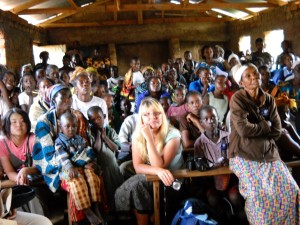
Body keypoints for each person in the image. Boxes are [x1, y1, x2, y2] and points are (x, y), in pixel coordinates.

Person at [230, 63, 300, 224]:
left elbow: (277, 129)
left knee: (291, 191)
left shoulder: (268, 99)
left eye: (255, 73)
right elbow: (243, 130)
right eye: (248, 76)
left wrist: (260, 129)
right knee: (258, 196)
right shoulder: (238, 99)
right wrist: (264, 126)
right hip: (243, 154)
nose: (254, 76)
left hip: (268, 153)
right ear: (241, 83)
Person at [115, 97, 184, 225]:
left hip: (171, 181)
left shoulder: (173, 135)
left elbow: (159, 164)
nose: (152, 117)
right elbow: (138, 166)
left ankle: (146, 216)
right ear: (141, 118)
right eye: (146, 115)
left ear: (162, 115)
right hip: (154, 175)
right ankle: (145, 215)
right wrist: (157, 171)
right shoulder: (138, 134)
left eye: (156, 113)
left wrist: (149, 138)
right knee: (131, 177)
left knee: (137, 185)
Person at [32, 84, 94, 223]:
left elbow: (84, 143)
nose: (67, 100)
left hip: (74, 159)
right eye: (63, 97)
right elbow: (50, 155)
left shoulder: (75, 116)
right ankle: (81, 218)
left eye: (70, 97)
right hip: (52, 165)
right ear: (54, 100)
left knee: (93, 176)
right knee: (75, 181)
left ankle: (96, 210)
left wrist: (85, 161)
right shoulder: (44, 121)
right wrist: (79, 163)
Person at [194, 105, 244, 223]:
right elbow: (199, 165)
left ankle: (237, 217)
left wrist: (231, 161)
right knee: (212, 198)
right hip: (211, 181)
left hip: (231, 178)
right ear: (201, 122)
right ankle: (220, 218)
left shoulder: (228, 137)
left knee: (234, 196)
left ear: (218, 118)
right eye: (206, 119)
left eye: (213, 117)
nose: (210, 121)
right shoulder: (199, 143)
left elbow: (239, 158)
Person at [54, 111, 103, 225]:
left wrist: (88, 162)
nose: (71, 129)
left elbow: (87, 152)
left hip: (81, 167)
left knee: (92, 176)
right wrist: (71, 167)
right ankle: (87, 211)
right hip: (64, 172)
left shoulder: (80, 139)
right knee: (77, 182)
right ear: (61, 126)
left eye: (74, 126)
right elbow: (63, 159)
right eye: (67, 126)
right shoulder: (59, 142)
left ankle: (95, 206)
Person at [0, 108, 44, 215]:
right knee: (16, 197)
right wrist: (21, 180)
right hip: (16, 181)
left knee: (33, 195)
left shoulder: (34, 139)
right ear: (7, 124)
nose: (19, 125)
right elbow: (9, 172)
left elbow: (37, 167)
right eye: (13, 122)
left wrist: (25, 170)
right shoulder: (3, 143)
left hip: (35, 180)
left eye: (22, 121)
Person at [87, 106, 123, 210]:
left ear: (104, 116)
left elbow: (116, 147)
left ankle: (119, 211)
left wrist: (105, 138)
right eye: (93, 120)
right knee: (106, 193)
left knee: (117, 189)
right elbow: (96, 150)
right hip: (102, 169)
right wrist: (98, 135)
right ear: (89, 121)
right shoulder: (90, 134)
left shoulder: (109, 130)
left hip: (113, 167)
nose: (97, 121)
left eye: (99, 118)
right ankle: (109, 213)